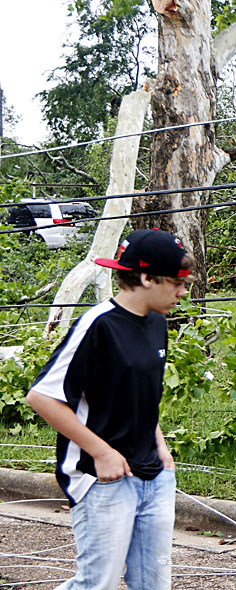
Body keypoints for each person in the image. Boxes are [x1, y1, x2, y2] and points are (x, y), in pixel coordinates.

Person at [26, 228, 194, 590]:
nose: (182, 292)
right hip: (102, 478)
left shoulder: (157, 323)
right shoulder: (98, 324)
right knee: (96, 584)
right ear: (147, 278)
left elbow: (141, 394)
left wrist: (161, 447)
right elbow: (42, 397)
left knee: (153, 584)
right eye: (178, 283)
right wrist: (102, 453)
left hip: (154, 475)